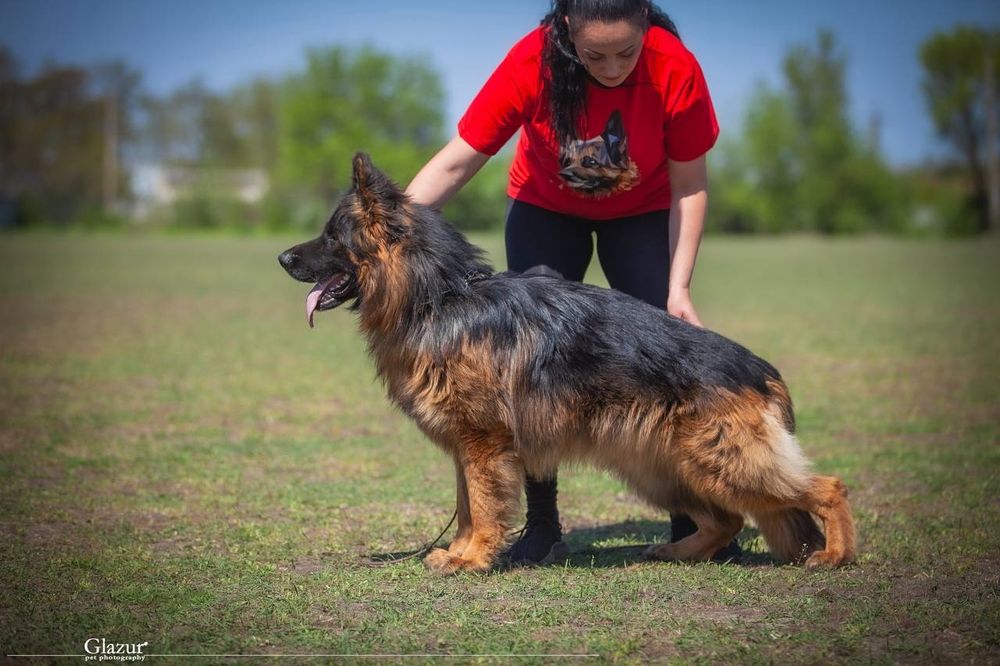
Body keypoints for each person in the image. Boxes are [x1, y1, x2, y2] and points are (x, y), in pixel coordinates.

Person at [405, 0, 740, 564]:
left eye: (626, 53)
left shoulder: (673, 65)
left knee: (659, 359)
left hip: (644, 211)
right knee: (533, 368)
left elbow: (690, 184)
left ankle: (692, 523)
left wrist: (677, 289)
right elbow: (457, 162)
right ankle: (541, 527)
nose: (612, 68)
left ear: (646, 32)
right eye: (595, 56)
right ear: (565, 33)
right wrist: (388, 232)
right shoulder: (531, 61)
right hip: (545, 210)